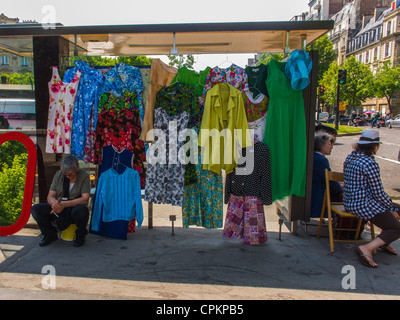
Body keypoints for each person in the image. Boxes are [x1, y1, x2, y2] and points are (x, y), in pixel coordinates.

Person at [343, 130, 400, 268]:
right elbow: (378, 193)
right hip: (363, 205)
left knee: (397, 210)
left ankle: (384, 242)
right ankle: (367, 248)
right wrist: (391, 208)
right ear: (374, 146)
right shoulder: (369, 163)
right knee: (397, 228)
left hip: (349, 201)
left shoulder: (351, 158)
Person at [31, 155, 91, 247]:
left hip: (73, 206)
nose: (68, 176)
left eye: (70, 174)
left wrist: (65, 204)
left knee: (82, 210)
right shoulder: (58, 175)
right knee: (36, 209)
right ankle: (49, 234)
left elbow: (85, 199)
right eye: (65, 174)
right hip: (59, 206)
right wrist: (54, 204)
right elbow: (50, 196)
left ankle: (80, 234)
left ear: (76, 170)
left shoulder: (84, 176)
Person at [310, 131, 343, 218]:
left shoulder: (315, 157)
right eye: (329, 144)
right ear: (321, 145)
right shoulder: (320, 159)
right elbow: (329, 179)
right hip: (318, 193)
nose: (331, 147)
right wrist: (340, 188)